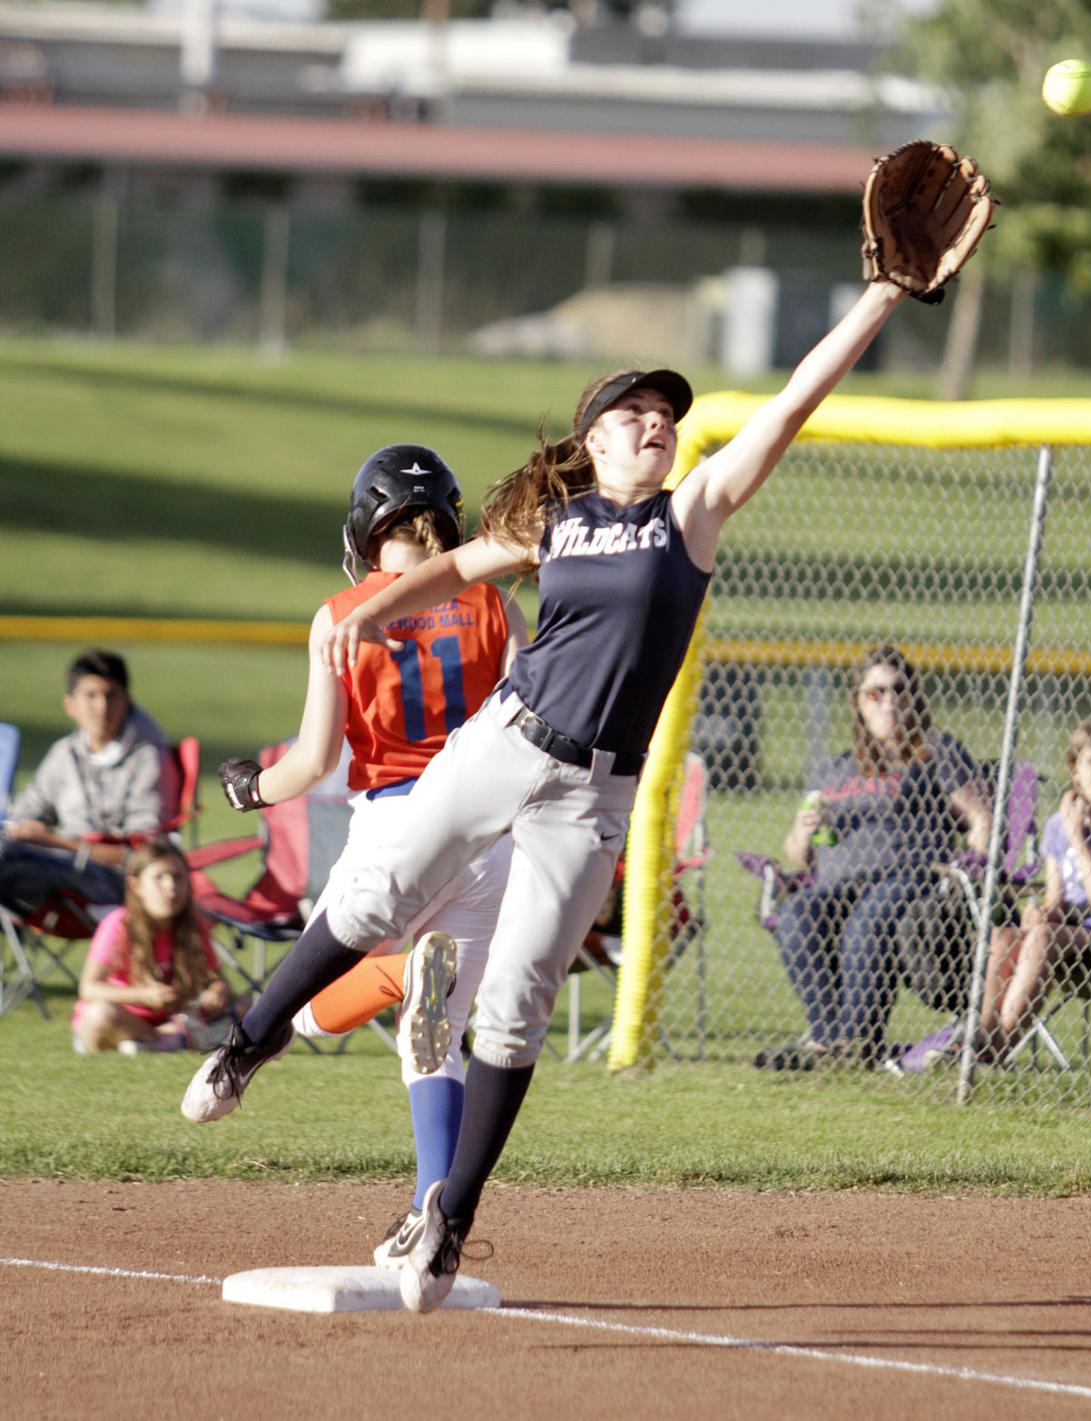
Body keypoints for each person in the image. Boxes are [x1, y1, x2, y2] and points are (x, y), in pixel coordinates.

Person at [182, 273, 912, 1314]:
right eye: (633, 411)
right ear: (595, 438)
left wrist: (879, 297)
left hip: (591, 798)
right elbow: (462, 568)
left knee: (517, 1003)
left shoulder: (691, 513)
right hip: (502, 741)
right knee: (375, 895)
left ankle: (448, 1217)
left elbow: (792, 402)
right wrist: (374, 610)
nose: (656, 422)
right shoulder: (558, 521)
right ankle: (245, 1045)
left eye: (666, 412)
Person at [191, 445, 528, 1249]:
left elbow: (311, 762)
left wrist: (251, 788)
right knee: (437, 1027)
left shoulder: (343, 613)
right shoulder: (494, 604)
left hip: (399, 824)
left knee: (326, 972)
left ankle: (249, 1043)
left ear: (363, 530)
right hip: (489, 836)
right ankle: (430, 1215)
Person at [754, 644, 992, 1073]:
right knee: (798, 914)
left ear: (915, 697)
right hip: (839, 883)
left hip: (912, 876)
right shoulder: (835, 770)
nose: (889, 701)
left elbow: (978, 816)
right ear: (858, 704)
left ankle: (855, 1041)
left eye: (898, 690)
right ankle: (832, 1041)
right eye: (875, 693)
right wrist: (802, 833)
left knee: (870, 915)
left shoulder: (935, 754)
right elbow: (797, 855)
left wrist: (975, 869)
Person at [966, 717, 1091, 1066]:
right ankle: (977, 1037)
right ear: (1073, 770)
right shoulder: (1057, 825)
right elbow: (1054, 900)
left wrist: (1077, 837)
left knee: (1042, 936)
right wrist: (1041, 910)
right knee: (1002, 935)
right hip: (1066, 934)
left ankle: (994, 1050)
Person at [0, 649, 174, 920]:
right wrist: (25, 830)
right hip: (52, 873)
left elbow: (145, 856)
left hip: (114, 884)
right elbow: (23, 815)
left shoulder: (148, 759)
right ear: (70, 705)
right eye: (91, 695)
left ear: (127, 702)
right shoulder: (64, 753)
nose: (102, 706)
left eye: (111, 695)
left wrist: (57, 843)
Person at [72, 837, 240, 1053]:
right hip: (123, 1018)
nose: (171, 886)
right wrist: (142, 995)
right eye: (159, 878)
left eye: (178, 877)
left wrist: (218, 992)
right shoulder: (119, 924)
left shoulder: (194, 924)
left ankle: (158, 1042)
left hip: (169, 1016)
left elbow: (216, 979)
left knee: (247, 1007)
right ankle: (170, 1040)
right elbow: (88, 988)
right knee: (100, 1016)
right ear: (136, 885)